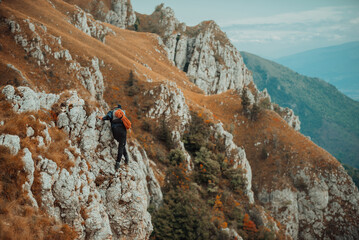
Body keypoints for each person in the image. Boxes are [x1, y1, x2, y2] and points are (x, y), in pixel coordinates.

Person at [99, 104, 129, 170]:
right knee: (122, 145)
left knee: (121, 144)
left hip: (115, 131)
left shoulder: (112, 112)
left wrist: (102, 118)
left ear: (115, 108)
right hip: (122, 131)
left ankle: (126, 157)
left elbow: (106, 117)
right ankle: (118, 162)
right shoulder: (123, 112)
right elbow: (126, 121)